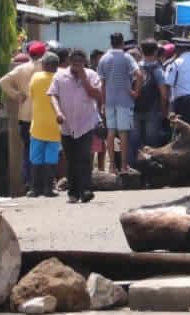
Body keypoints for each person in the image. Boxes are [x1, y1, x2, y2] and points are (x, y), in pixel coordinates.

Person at [49, 49, 103, 204]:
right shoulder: (60, 76)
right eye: (74, 62)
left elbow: (97, 95)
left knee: (85, 156)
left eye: (80, 62)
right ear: (69, 61)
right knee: (71, 159)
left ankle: (86, 189)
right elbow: (53, 95)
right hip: (66, 125)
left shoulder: (92, 75)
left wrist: (84, 78)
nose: (77, 65)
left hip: (86, 122)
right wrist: (58, 112)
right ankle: (73, 192)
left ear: (84, 62)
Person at [0, 41, 48, 190]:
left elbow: (3, 81)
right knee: (46, 148)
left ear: (29, 54)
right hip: (44, 114)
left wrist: (16, 95)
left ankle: (28, 182)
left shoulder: (21, 69)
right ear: (43, 54)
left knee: (28, 149)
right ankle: (44, 182)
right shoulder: (47, 67)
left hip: (25, 114)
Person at [97, 33, 141, 175]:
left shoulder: (104, 58)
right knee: (123, 133)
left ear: (111, 42)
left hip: (109, 100)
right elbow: (139, 74)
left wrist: (103, 103)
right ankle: (123, 165)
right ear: (122, 43)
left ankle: (112, 167)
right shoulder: (127, 57)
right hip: (124, 100)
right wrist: (136, 92)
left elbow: (102, 84)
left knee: (110, 132)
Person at [26, 53, 61, 198]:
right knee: (51, 158)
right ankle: (48, 189)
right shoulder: (59, 79)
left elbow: (32, 95)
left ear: (44, 65)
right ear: (56, 66)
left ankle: (35, 189)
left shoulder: (35, 77)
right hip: (55, 125)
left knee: (36, 158)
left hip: (37, 125)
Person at [131, 39, 170, 166]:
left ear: (141, 51)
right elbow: (164, 94)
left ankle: (133, 170)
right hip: (152, 111)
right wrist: (164, 110)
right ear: (156, 51)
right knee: (151, 145)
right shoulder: (158, 70)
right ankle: (151, 171)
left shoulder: (134, 68)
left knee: (134, 143)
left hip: (134, 109)